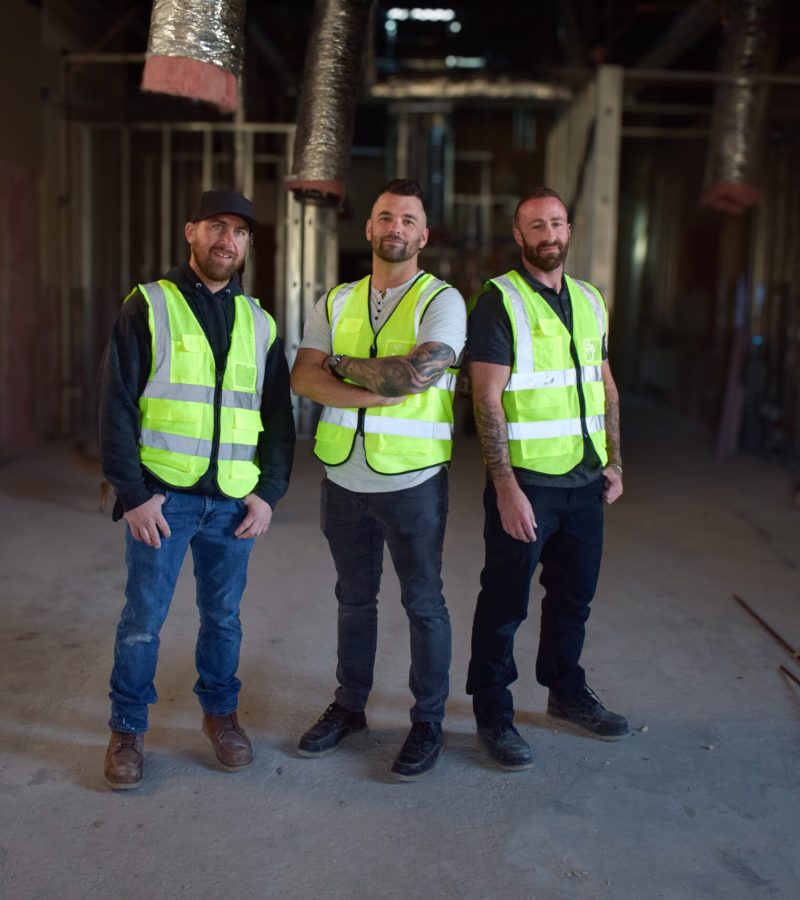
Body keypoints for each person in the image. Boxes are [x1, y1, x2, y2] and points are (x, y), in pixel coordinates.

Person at [98, 189, 295, 789]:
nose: (226, 240)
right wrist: (133, 493)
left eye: (238, 232)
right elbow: (117, 406)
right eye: (215, 226)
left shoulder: (259, 322)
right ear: (190, 231)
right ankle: (127, 729)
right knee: (142, 620)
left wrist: (270, 492)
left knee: (224, 620)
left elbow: (279, 419)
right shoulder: (148, 305)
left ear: (246, 246)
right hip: (164, 500)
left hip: (234, 503)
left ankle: (221, 718)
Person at [290, 178, 466, 781]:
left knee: (423, 604)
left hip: (412, 483)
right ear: (367, 228)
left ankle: (428, 722)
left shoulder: (441, 300)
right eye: (385, 216)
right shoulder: (334, 301)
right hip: (343, 477)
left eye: (409, 220)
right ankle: (350, 707)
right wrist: (364, 381)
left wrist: (338, 366)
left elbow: (414, 376)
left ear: (423, 234)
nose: (396, 228)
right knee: (353, 601)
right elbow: (303, 379)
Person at [465, 186, 629, 771]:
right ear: (519, 235)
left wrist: (614, 461)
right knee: (505, 603)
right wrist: (505, 486)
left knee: (573, 599)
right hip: (528, 483)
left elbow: (604, 383)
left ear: (569, 229)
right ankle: (492, 710)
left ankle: (565, 692)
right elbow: (485, 398)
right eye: (536, 226)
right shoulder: (499, 301)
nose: (549, 235)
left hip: (584, 482)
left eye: (557, 223)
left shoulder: (589, 298)